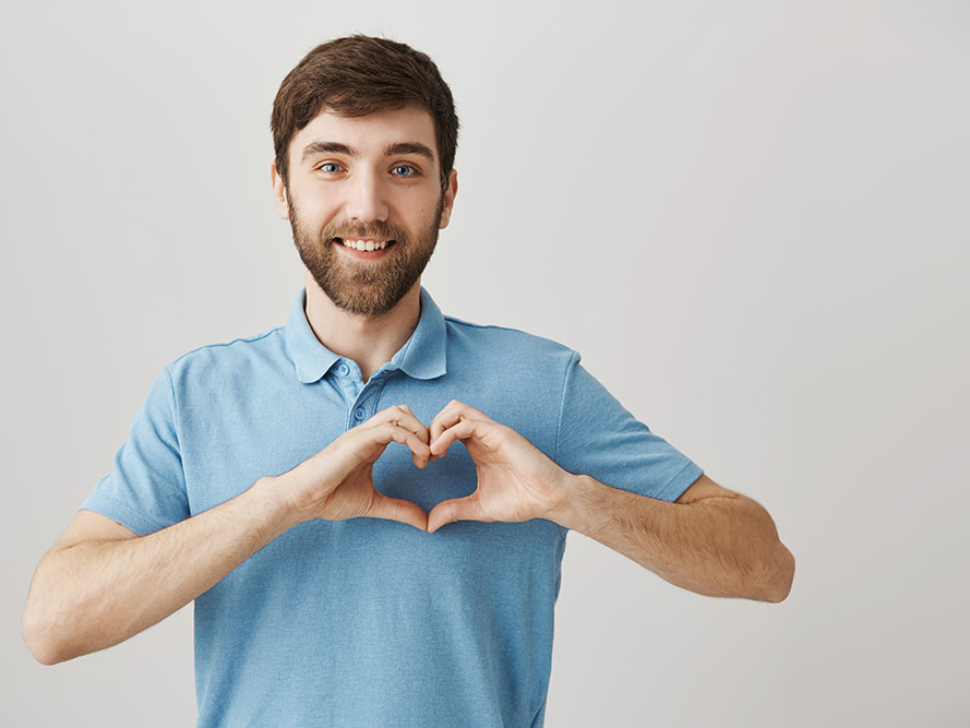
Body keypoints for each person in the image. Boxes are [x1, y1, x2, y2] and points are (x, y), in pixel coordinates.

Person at [22, 34, 795, 727]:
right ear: (281, 187)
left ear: (447, 195)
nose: (367, 207)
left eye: (403, 168)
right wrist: (279, 502)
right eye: (331, 165)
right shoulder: (197, 394)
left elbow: (764, 566)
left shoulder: (540, 383)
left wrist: (571, 498)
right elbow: (53, 623)